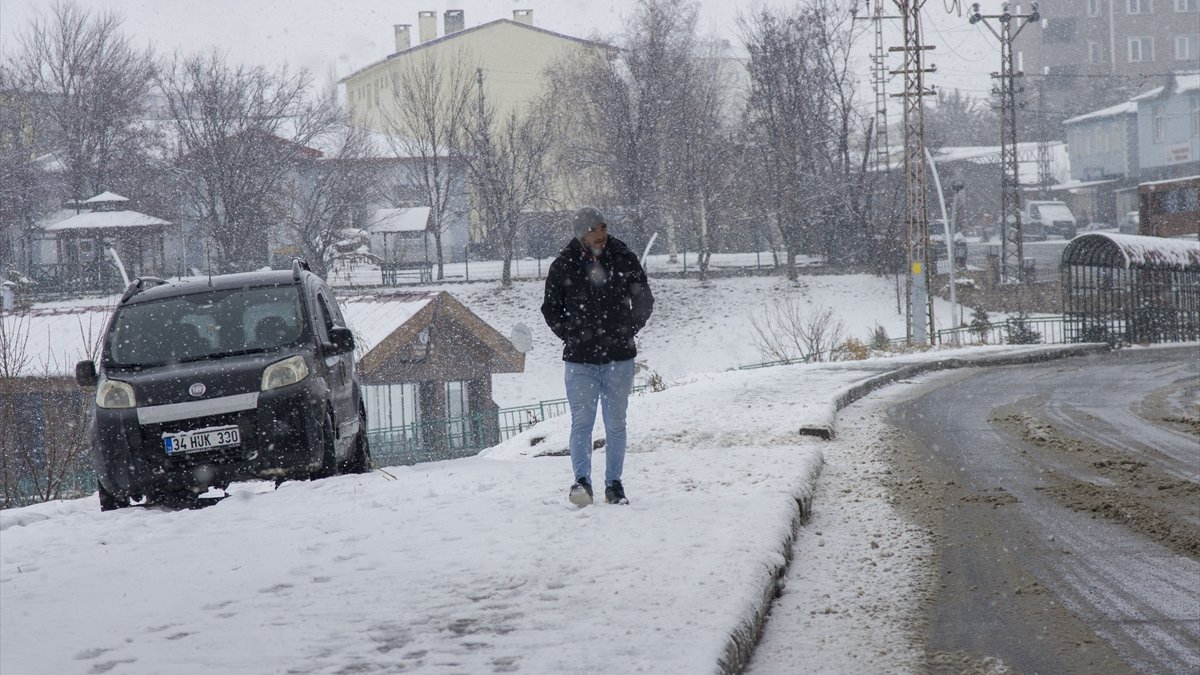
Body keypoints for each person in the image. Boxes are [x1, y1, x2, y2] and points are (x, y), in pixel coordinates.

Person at [541, 206, 654, 506]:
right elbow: (550, 308)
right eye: (593, 229)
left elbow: (644, 299)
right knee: (582, 422)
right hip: (579, 361)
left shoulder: (623, 257)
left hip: (619, 357)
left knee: (616, 423)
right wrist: (571, 335)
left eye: (602, 227)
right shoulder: (564, 264)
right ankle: (582, 482)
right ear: (581, 233)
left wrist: (628, 329)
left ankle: (614, 485)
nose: (600, 234)